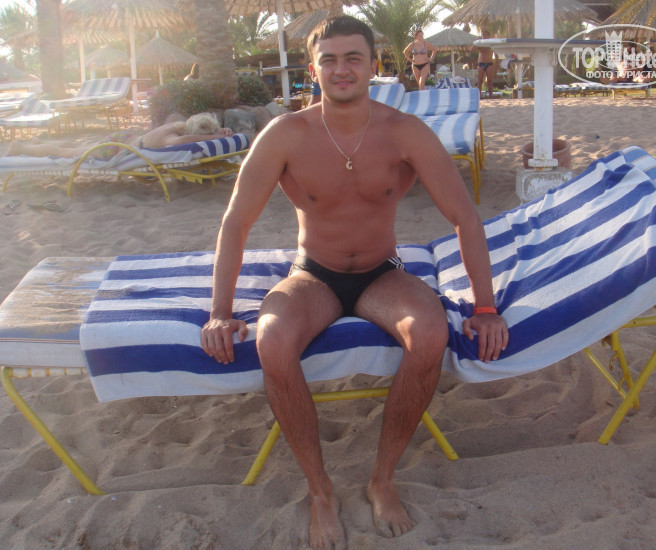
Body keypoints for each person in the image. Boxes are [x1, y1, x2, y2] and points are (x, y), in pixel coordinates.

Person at [200, 15, 508, 550]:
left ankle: (381, 479)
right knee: (272, 339)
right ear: (313, 70)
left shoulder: (404, 131)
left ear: (373, 65)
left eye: (353, 58)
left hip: (381, 273)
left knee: (429, 332)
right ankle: (320, 490)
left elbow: (464, 216)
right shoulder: (286, 134)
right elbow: (236, 222)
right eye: (329, 60)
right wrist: (220, 312)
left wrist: (484, 308)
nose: (341, 69)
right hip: (312, 275)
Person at [4, 113, 234, 159]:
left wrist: (216, 131)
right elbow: (184, 142)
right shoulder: (171, 139)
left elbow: (188, 135)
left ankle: (38, 142)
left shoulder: (176, 124)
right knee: (68, 153)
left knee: (72, 147)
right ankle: (21, 148)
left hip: (124, 139)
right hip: (116, 149)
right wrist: (214, 137)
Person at [471, 29, 497, 98]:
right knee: (480, 81)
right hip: (481, 63)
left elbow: (496, 54)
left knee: (489, 81)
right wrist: (476, 42)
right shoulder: (480, 43)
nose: (484, 36)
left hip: (489, 63)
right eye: (483, 34)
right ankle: (479, 96)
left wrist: (496, 65)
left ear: (488, 35)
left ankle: (491, 96)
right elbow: (472, 50)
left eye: (485, 34)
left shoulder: (491, 43)